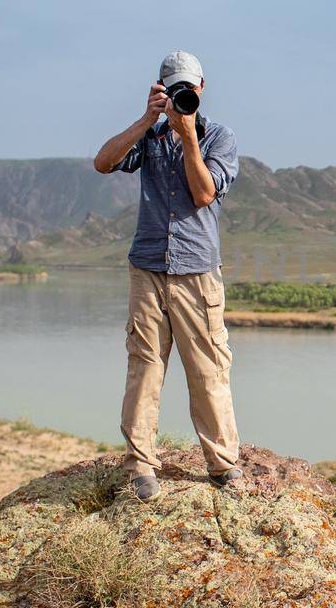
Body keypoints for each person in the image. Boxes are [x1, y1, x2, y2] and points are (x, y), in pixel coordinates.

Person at [92, 50, 248, 499]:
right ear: (161, 89)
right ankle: (140, 464)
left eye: (189, 88)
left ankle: (222, 465)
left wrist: (188, 139)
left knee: (208, 368)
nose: (183, 95)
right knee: (144, 367)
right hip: (147, 267)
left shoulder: (219, 136)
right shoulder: (150, 133)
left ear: (201, 88)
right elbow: (103, 162)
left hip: (197, 270)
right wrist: (146, 120)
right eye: (173, 87)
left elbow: (204, 193)